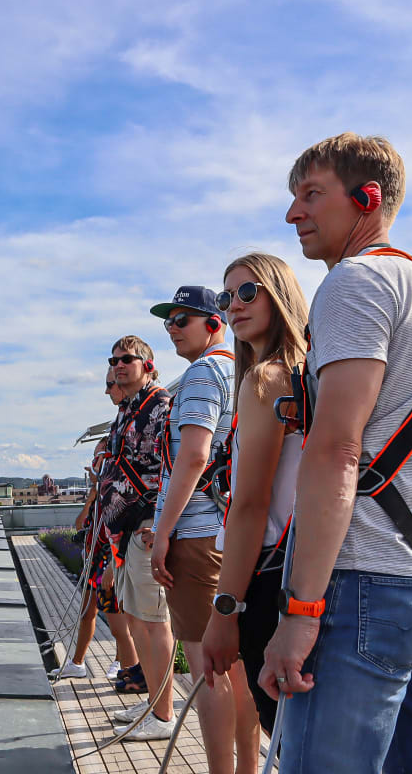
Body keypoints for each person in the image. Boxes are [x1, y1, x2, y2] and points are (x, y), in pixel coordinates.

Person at [260, 133, 412, 773]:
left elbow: (336, 450)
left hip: (365, 585)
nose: (293, 213)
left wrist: (299, 612)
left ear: (367, 198)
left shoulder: (357, 283)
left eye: (311, 194)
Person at [145, 285, 256, 770]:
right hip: (234, 531)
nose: (171, 327)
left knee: (206, 669)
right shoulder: (243, 369)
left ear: (214, 323)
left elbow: (193, 455)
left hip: (197, 535)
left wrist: (164, 530)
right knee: (239, 669)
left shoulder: (204, 372)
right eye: (167, 320)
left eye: (181, 319)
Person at [198, 254, 309, 739]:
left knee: (285, 735)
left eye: (249, 292)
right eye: (226, 297)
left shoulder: (265, 380)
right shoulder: (308, 374)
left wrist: (225, 612)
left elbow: (249, 506)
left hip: (268, 578)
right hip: (309, 576)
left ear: (279, 296)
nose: (234, 306)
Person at [100, 335, 173, 741]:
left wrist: (160, 522)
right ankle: (152, 703)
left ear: (148, 364)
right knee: (138, 620)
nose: (119, 365)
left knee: (153, 621)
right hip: (128, 528)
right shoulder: (129, 410)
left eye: (128, 359)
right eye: (114, 360)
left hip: (146, 527)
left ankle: (162, 716)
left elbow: (176, 465)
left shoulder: (160, 407)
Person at [50, 373, 139, 681]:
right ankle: (79, 662)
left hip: (114, 545)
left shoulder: (130, 436)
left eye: (111, 384)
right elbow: (100, 497)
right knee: (91, 608)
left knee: (118, 616)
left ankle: (127, 669)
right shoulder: (108, 442)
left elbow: (124, 494)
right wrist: (90, 500)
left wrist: (116, 563)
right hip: (99, 543)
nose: (106, 391)